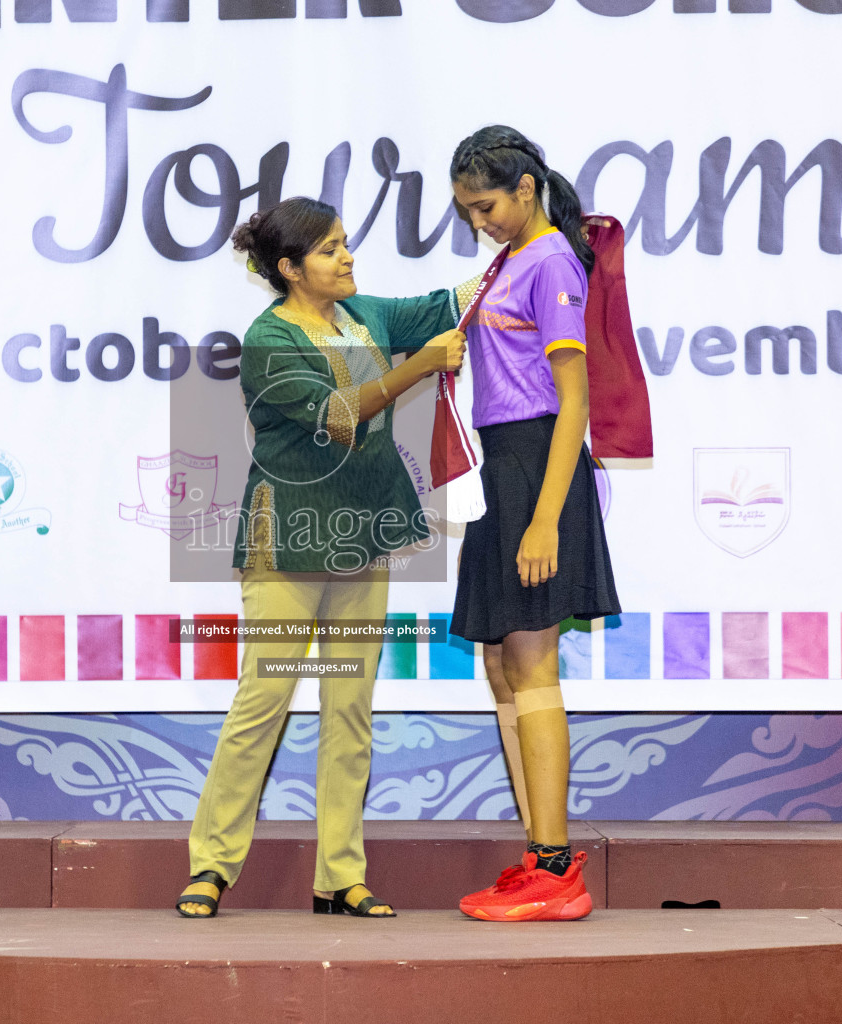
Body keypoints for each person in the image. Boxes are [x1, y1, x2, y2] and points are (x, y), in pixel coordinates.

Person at [176, 197, 467, 919]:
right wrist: (419, 368)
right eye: (331, 249)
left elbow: (448, 303)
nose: (347, 258)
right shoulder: (268, 341)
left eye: (345, 245)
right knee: (264, 703)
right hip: (289, 544)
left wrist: (526, 247)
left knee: (350, 708)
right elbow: (342, 416)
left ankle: (341, 875)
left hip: (360, 535)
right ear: (289, 269)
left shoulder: (364, 314)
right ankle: (211, 866)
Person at [446, 126, 622, 922]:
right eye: (465, 210)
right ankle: (538, 856)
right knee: (501, 665)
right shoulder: (509, 260)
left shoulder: (550, 259)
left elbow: (573, 399)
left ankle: (556, 871)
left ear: (525, 188)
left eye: (485, 205)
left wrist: (546, 517)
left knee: (533, 662)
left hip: (537, 468)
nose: (478, 219)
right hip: (503, 468)